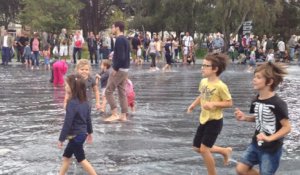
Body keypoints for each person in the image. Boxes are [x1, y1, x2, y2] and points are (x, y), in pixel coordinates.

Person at [235, 62, 291, 175]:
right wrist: (245, 117)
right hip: (255, 143)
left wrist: (270, 138)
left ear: (269, 81)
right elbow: (259, 118)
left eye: (258, 77)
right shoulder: (256, 100)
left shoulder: (278, 103)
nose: (254, 79)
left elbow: (287, 127)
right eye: (254, 76)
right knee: (241, 169)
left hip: (271, 149)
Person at [187, 53, 233, 175]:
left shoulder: (221, 86)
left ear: (215, 69)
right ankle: (224, 151)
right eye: (202, 65)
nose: (202, 68)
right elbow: (202, 95)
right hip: (204, 119)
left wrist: (214, 104)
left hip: (215, 121)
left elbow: (229, 103)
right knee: (197, 147)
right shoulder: (203, 82)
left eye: (205, 66)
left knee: (204, 149)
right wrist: (193, 104)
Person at [58, 74, 97, 175]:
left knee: (81, 159)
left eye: (67, 85)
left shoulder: (71, 103)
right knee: (66, 157)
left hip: (76, 136)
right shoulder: (85, 102)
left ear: (73, 88)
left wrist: (61, 139)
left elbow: (67, 122)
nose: (65, 86)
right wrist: (89, 132)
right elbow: (88, 119)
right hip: (81, 134)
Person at [104, 21, 130, 122]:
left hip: (119, 70)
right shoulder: (125, 39)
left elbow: (122, 57)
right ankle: (123, 115)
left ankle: (114, 113)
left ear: (117, 28)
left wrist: (115, 68)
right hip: (125, 69)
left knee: (108, 91)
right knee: (122, 92)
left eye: (113, 27)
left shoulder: (119, 39)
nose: (112, 29)